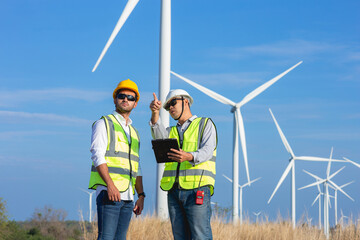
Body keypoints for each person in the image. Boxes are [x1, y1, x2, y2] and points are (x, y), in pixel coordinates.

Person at [149, 89, 217, 240]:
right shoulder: (170, 131)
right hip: (173, 190)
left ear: (185, 101)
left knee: (200, 236)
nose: (170, 108)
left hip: (196, 190)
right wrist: (155, 113)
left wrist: (189, 156)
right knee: (179, 237)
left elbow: (207, 151)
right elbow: (158, 137)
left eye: (173, 103)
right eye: (167, 107)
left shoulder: (205, 124)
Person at [89, 79, 145, 240]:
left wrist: (141, 195)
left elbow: (137, 166)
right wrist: (110, 185)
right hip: (110, 193)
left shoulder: (134, 132)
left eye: (130, 97)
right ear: (115, 99)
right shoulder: (103, 123)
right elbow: (97, 155)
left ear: (135, 104)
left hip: (128, 197)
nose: (125, 99)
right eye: (122, 96)